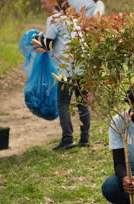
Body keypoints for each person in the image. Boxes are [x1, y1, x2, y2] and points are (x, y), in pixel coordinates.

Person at [37, 0, 91, 150]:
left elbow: (48, 45)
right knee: (82, 102)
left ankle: (67, 139)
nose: (43, 7)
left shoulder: (53, 19)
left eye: (44, 3)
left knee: (63, 103)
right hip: (82, 66)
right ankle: (85, 138)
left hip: (67, 68)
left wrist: (38, 38)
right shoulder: (72, 17)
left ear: (53, 3)